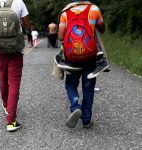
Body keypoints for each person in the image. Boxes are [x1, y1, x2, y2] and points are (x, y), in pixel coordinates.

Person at [58, 0, 105, 128]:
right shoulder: (94, 9)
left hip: (72, 56)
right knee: (88, 87)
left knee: (71, 84)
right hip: (90, 55)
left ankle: (75, 106)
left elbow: (61, 36)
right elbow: (102, 28)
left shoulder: (65, 13)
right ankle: (86, 120)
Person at [0, 0, 31, 131]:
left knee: (3, 81)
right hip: (15, 49)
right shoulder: (19, 2)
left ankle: (6, 106)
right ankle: (11, 121)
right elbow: (27, 25)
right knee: (14, 84)